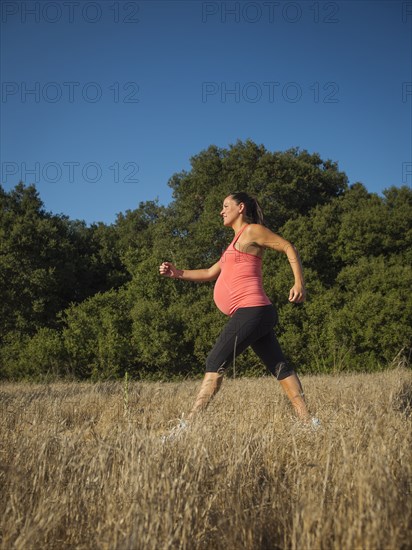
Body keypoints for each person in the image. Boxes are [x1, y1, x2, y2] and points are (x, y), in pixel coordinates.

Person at [159, 192, 319, 433]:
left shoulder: (252, 231)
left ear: (240, 207)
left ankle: (187, 427)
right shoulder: (232, 245)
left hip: (252, 310)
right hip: (256, 313)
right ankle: (309, 423)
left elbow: (287, 246)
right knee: (279, 366)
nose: (221, 211)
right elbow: (209, 272)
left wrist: (299, 283)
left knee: (215, 361)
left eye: (225, 206)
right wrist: (177, 273)